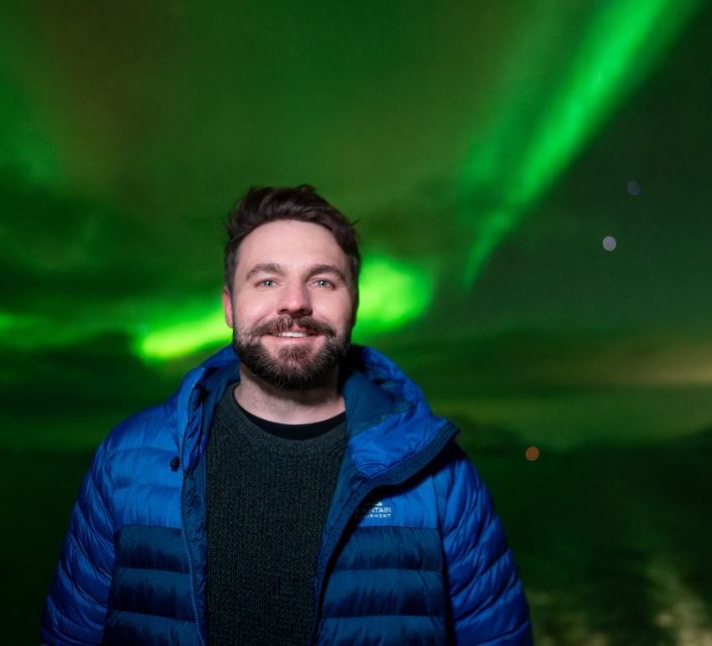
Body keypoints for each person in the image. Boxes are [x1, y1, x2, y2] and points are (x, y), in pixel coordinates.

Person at [41, 185, 532, 645]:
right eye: (267, 280)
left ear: (353, 303)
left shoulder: (440, 477)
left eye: (322, 280)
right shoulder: (126, 461)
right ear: (230, 305)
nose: (295, 302)